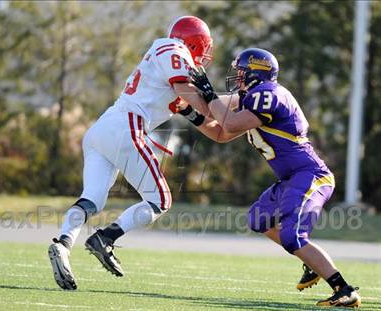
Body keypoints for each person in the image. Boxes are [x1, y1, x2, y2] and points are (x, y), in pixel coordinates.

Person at [47, 16, 240, 291]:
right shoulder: (174, 51)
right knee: (160, 199)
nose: (205, 55)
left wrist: (238, 116)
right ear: (195, 43)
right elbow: (201, 101)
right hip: (127, 127)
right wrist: (226, 101)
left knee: (91, 199)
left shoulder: (164, 66)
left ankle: (64, 243)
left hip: (102, 129)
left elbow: (209, 124)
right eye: (204, 47)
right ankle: (105, 238)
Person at [188, 48, 361, 308]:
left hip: (310, 174)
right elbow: (219, 128)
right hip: (292, 178)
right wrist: (187, 107)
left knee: (293, 237)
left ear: (257, 72)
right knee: (258, 219)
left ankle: (344, 289)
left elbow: (230, 123)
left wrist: (208, 95)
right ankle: (311, 261)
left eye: (242, 72)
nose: (238, 77)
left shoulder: (268, 94)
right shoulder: (252, 96)